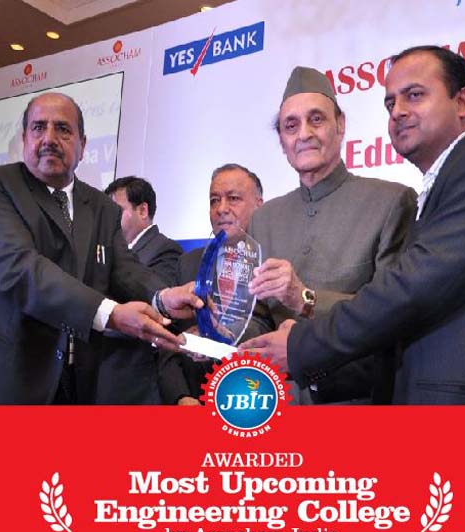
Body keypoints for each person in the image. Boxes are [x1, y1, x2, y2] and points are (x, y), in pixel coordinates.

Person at [242, 46, 465, 404]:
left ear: (462, 102)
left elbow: (407, 293)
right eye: (390, 103)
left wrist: (301, 342)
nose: (398, 111)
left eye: (414, 95)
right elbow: (400, 327)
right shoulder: (437, 189)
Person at [0, 92, 200, 404]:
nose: (49, 138)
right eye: (39, 127)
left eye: (63, 129)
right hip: (4, 381)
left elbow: (123, 268)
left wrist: (162, 297)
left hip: (77, 384)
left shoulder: (102, 206)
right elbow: (21, 269)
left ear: (83, 145)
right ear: (24, 138)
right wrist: (111, 313)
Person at [245, 66, 416, 404]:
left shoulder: (391, 201)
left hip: (355, 403)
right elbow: (258, 314)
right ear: (281, 141)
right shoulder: (264, 218)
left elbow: (393, 314)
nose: (304, 134)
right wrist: (220, 331)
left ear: (340, 125)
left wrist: (305, 298)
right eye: (291, 125)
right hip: (273, 404)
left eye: (316, 119)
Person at [158, 163, 264, 405]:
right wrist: (180, 396)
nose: (221, 209)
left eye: (233, 198)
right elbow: (167, 338)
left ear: (260, 205)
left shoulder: (276, 265)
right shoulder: (188, 263)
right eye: (214, 200)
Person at [95, 176, 183, 404]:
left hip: (137, 376)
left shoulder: (166, 249)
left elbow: (156, 314)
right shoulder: (107, 253)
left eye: (116, 211)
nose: (108, 220)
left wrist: (100, 314)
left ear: (142, 210)